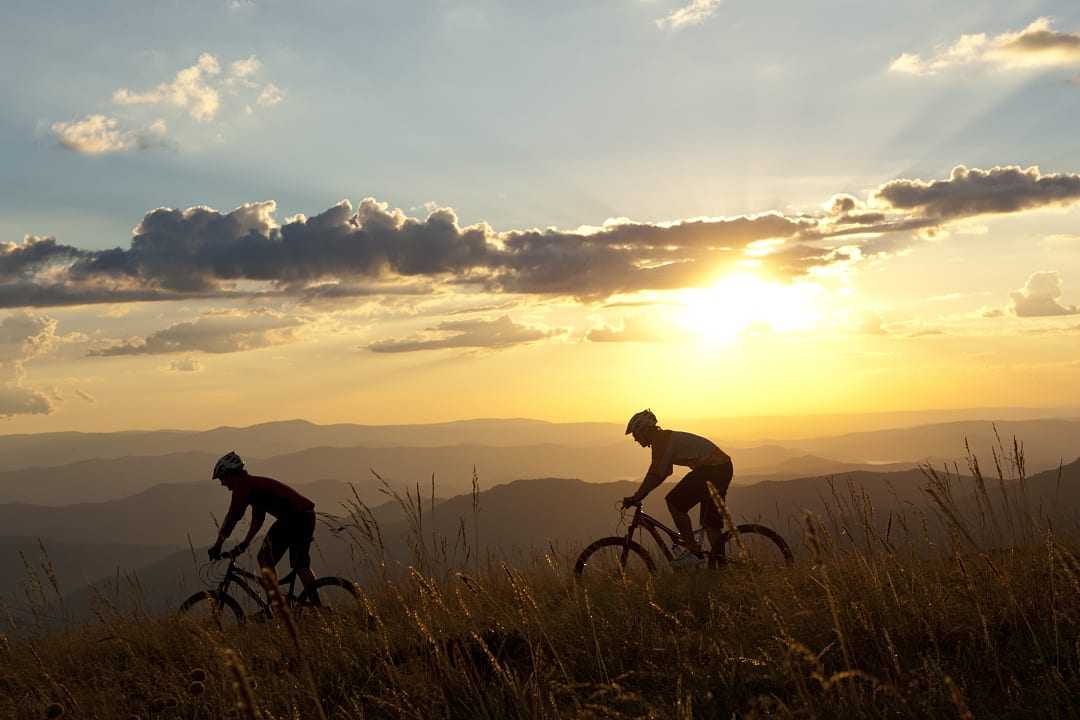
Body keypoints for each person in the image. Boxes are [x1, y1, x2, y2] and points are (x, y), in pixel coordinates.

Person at [621, 409, 733, 568]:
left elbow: (657, 473)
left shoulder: (661, 441)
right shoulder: (662, 439)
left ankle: (693, 551)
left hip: (713, 469)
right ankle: (721, 567)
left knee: (674, 502)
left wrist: (638, 496)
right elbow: (664, 471)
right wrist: (640, 494)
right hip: (720, 467)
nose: (635, 439)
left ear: (644, 430)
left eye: (635, 434)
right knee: (710, 523)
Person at [207, 451, 317, 593]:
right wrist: (245, 543)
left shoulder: (243, 487)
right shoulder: (253, 485)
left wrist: (218, 545)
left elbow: (232, 517)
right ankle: (318, 607)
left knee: (264, 559)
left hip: (293, 518)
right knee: (301, 565)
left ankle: (277, 603)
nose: (222, 483)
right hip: (306, 516)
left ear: (231, 474)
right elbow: (258, 519)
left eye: (222, 478)